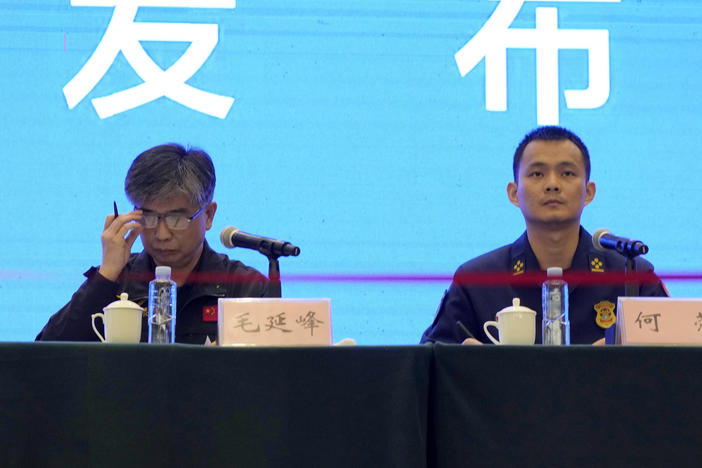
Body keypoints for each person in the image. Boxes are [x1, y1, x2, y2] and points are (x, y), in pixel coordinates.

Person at [420, 126, 668, 345]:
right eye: (537, 174)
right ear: (514, 193)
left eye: (567, 173)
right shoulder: (477, 281)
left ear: (589, 192)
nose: (552, 184)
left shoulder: (632, 277)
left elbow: (680, 361)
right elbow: (428, 363)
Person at [37, 143, 272, 344]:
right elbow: (45, 357)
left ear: (208, 215)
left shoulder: (245, 287)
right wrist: (106, 275)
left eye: (176, 219)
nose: (161, 234)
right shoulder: (116, 281)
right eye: (148, 217)